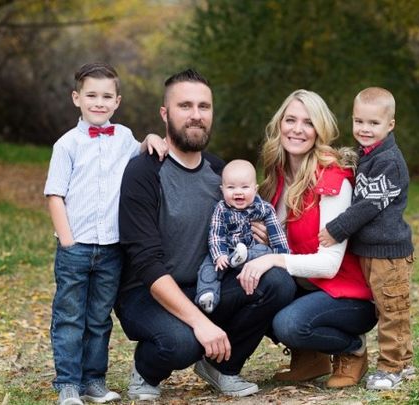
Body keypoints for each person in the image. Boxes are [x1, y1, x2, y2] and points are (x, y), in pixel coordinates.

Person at [114, 69, 296, 401]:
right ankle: (145, 371)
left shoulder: (221, 174)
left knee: (277, 282)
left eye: (204, 106)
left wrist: (260, 237)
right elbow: (146, 263)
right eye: (185, 106)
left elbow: (245, 224)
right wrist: (201, 323)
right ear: (165, 114)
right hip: (146, 292)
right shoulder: (143, 172)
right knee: (182, 343)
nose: (196, 115)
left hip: (206, 284)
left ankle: (221, 367)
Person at [44, 62, 168, 405]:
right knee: (70, 317)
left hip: (112, 248)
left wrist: (152, 137)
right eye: (91, 95)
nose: (98, 103)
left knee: (99, 318)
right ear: (76, 98)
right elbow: (55, 195)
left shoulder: (124, 137)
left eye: (106, 97)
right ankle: (68, 383)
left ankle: (93, 381)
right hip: (76, 246)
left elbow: (143, 150)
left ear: (117, 101)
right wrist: (67, 241)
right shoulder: (66, 145)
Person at [237, 89, 377, 389]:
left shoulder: (333, 180)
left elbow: (328, 264)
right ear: (279, 124)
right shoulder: (276, 177)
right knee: (251, 293)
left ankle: (353, 348)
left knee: (289, 324)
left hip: (347, 296)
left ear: (319, 130)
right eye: (291, 120)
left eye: (308, 122)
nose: (297, 129)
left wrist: (272, 257)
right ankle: (311, 357)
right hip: (307, 288)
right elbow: (290, 244)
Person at [318, 86, 415, 390]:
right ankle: (404, 362)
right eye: (359, 121)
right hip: (371, 250)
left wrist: (337, 228)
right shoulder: (368, 154)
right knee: (387, 307)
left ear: (390, 124)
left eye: (374, 123)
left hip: (389, 252)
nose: (365, 129)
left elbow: (368, 205)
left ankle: (392, 367)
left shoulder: (390, 161)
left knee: (392, 310)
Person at [195, 159, 291, 314]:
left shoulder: (264, 209)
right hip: (227, 252)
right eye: (231, 187)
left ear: (255, 189)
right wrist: (219, 255)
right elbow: (216, 234)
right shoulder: (221, 209)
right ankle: (207, 295)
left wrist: (282, 256)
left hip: (252, 251)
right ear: (222, 189)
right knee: (207, 267)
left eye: (245, 187)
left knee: (264, 251)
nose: (238, 192)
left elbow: (276, 234)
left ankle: (243, 256)